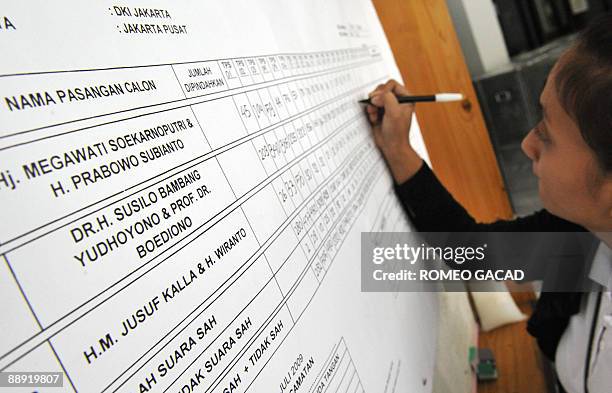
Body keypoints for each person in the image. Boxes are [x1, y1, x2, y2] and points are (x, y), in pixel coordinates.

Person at [365, 15, 612, 393]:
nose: (528, 144)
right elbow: (473, 250)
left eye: (546, 135)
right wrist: (398, 149)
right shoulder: (582, 233)